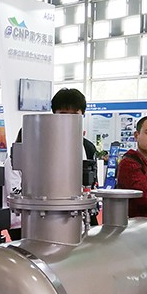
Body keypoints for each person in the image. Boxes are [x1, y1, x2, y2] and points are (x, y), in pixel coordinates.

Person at [51, 88, 99, 224]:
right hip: (51, 214)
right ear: (54, 114)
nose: (69, 119)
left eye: (74, 115)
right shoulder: (43, 146)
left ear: (82, 115)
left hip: (83, 214)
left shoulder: (88, 147)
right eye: (63, 114)